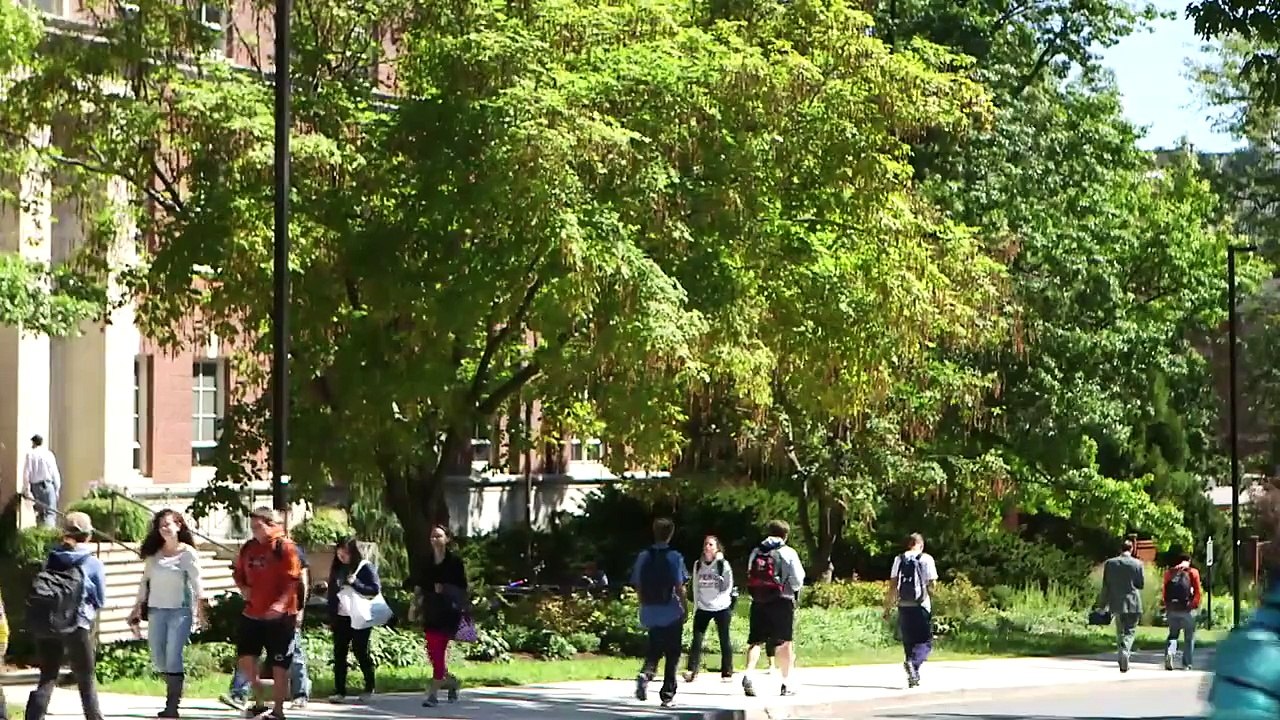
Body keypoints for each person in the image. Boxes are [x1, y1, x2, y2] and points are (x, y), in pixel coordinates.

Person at [24, 511, 107, 720]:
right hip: (77, 625)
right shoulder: (93, 563)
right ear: (88, 535)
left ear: (63, 533)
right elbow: (100, 599)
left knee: (48, 675)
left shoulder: (51, 557)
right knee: (85, 677)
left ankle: (34, 716)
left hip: (48, 624)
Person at [128, 510, 205, 718]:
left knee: (173, 656)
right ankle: (175, 684)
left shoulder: (187, 553)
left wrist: (202, 607)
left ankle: (172, 706)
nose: (164, 528)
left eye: (168, 524)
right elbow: (145, 582)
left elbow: (198, 582)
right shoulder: (154, 554)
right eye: (161, 524)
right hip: (156, 610)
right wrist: (136, 607)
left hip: (179, 611)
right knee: (158, 656)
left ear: (179, 526)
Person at [221, 543, 313, 712]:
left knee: (293, 653)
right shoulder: (254, 548)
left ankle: (299, 694)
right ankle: (239, 693)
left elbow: (302, 581)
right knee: (249, 655)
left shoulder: (291, 550)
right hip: (258, 611)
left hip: (285, 613)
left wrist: (300, 609)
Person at [231, 507, 304, 720]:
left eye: (258, 526)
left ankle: (279, 710)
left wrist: (281, 605)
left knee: (279, 664)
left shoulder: (285, 547)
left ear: (271, 524)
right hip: (253, 612)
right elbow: (239, 573)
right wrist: (243, 587)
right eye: (252, 527)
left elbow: (293, 581)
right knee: (246, 657)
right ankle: (259, 699)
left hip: (281, 616)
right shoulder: (249, 548)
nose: (254, 530)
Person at [741, 519, 805, 698]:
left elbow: (749, 572)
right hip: (782, 600)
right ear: (785, 535)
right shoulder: (788, 552)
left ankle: (749, 674)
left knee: (755, 641)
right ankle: (786, 683)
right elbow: (797, 580)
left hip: (759, 600)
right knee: (784, 642)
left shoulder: (756, 551)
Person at [630, 518, 688, 708]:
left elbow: (638, 584)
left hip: (651, 609)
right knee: (673, 653)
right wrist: (685, 607)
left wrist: (643, 604)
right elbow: (679, 586)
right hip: (671, 610)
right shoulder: (675, 557)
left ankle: (646, 673)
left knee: (654, 648)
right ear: (670, 534)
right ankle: (667, 695)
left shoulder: (643, 556)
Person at [408, 524, 467, 707]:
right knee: (433, 654)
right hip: (431, 610)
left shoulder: (454, 562)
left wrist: (445, 588)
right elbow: (419, 586)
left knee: (439, 651)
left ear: (447, 539)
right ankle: (452, 682)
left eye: (439, 536)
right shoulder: (426, 562)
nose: (435, 539)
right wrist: (413, 606)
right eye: (432, 536)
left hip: (449, 612)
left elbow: (463, 588)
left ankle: (432, 694)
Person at [327, 536, 381, 703]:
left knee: (360, 651)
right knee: (339, 654)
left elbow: (374, 589)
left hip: (360, 616)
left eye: (346, 551)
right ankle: (340, 690)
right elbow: (331, 595)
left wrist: (355, 583)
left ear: (353, 552)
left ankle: (369, 685)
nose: (342, 554)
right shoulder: (336, 569)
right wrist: (331, 617)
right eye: (340, 550)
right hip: (341, 617)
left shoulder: (364, 567)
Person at [883, 533, 939, 688]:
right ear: (921, 545)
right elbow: (932, 584)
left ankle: (913, 674)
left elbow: (893, 586)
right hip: (921, 605)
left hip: (904, 605)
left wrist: (887, 607)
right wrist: (936, 600)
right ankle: (913, 665)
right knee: (925, 641)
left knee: (909, 641)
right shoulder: (926, 559)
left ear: (909, 544)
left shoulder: (899, 559)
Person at [683, 535, 734, 683]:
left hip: (721, 606)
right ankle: (692, 670)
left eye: (711, 545)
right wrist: (697, 605)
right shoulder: (698, 564)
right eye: (706, 544)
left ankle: (727, 672)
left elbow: (728, 586)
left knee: (724, 638)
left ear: (717, 548)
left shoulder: (723, 564)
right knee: (697, 639)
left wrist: (720, 601)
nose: (707, 547)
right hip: (703, 606)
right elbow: (695, 585)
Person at [1096, 538, 1145, 673]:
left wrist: (1102, 605)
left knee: (1120, 631)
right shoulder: (1138, 564)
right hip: (1134, 602)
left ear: (1120, 549)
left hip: (1117, 603)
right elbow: (1140, 584)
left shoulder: (1110, 564)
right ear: (1132, 549)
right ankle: (1125, 650)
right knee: (1130, 631)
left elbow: (1106, 586)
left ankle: (1121, 655)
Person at [1161, 552, 1203, 671]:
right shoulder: (1193, 572)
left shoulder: (1169, 573)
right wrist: (1193, 605)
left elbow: (1164, 592)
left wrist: (1167, 605)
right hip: (1187, 610)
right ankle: (1186, 664)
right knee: (1189, 637)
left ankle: (1170, 653)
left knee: (1173, 635)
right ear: (1189, 560)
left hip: (1172, 608)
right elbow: (1197, 592)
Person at [23, 434, 61, 528]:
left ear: (33, 443)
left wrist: (27, 489)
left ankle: (40, 534)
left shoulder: (30, 454)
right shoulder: (48, 454)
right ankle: (48, 537)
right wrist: (57, 489)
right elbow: (54, 472)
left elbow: (26, 473)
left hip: (35, 486)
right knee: (50, 512)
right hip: (47, 485)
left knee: (40, 513)